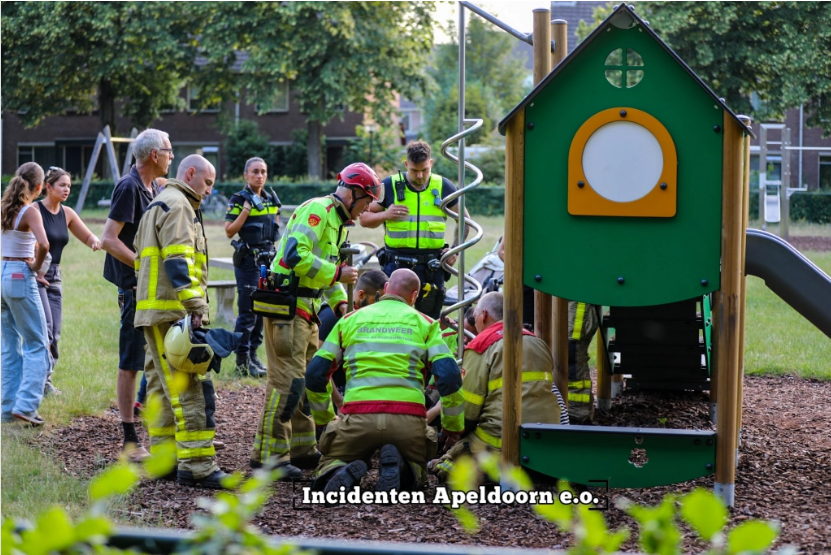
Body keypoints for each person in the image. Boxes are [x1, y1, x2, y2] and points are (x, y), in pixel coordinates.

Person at [250, 162, 382, 478]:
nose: (365, 211)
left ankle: (302, 448)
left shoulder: (336, 221)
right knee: (286, 383)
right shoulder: (318, 211)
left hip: (306, 310)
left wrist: (340, 306)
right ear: (352, 193)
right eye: (365, 202)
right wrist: (337, 272)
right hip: (289, 308)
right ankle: (270, 457)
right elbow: (296, 256)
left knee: (308, 380)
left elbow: (324, 269)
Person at [306, 269, 465, 494]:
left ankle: (337, 468)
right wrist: (452, 427)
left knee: (333, 457)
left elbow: (315, 373)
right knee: (416, 462)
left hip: (358, 418)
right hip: (407, 422)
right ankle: (405, 468)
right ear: (414, 296)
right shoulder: (426, 324)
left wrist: (325, 420)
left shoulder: (349, 320)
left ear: (387, 288)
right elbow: (449, 376)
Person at [133, 154, 229, 489]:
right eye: (207, 181)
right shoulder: (179, 206)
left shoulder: (158, 203)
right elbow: (178, 261)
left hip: (152, 311)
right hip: (174, 312)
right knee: (190, 388)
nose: (209, 190)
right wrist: (196, 307)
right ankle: (198, 465)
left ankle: (165, 459)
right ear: (190, 173)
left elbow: (139, 257)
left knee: (159, 387)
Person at [429, 292, 569, 481]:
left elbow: (469, 410)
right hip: (544, 439)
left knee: (447, 466)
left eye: (476, 315)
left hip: (499, 438)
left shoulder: (482, 346)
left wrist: (455, 434)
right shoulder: (537, 342)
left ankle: (489, 472)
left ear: (484, 315)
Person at [101, 128, 171, 461]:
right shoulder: (129, 187)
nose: (172, 156)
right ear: (154, 155)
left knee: (156, 360)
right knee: (130, 363)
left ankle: (167, 433)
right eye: (168, 151)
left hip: (147, 289)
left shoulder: (152, 186)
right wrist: (143, 266)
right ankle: (130, 442)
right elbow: (109, 239)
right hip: (132, 289)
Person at [360, 140, 471, 319]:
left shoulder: (444, 187)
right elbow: (364, 219)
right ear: (406, 164)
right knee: (393, 319)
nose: (420, 175)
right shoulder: (389, 185)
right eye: (414, 170)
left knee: (429, 322)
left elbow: (465, 221)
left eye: (424, 170)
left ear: (431, 163)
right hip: (396, 266)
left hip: (432, 269)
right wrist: (385, 215)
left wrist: (455, 250)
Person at [36, 167, 103, 397]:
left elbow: (86, 235)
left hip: (54, 275)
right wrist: (33, 268)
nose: (67, 190)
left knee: (54, 333)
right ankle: (38, 382)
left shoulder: (68, 213)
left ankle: (45, 381)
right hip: (36, 275)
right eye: (62, 185)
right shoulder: (35, 211)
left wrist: (95, 241)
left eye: (69, 186)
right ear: (48, 187)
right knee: (43, 330)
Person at [1, 163, 52, 426]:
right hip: (20, 276)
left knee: (9, 347)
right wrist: (33, 265)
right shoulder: (30, 212)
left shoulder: (4, 208)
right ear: (40, 187)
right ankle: (27, 405)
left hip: (1, 275)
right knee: (37, 345)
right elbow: (43, 244)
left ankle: (8, 408)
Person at [224, 157, 281, 378]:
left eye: (263, 171)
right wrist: (245, 211)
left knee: (262, 309)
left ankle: (254, 358)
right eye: (255, 172)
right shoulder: (239, 199)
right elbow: (229, 231)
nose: (259, 176)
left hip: (267, 263)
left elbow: (275, 227)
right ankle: (241, 361)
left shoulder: (271, 198)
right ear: (246, 175)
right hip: (248, 262)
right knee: (247, 313)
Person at [315, 269, 389, 427]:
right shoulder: (332, 317)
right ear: (361, 295)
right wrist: (339, 401)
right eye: (378, 301)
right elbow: (315, 365)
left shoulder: (366, 315)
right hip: (333, 396)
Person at [566, 301, 599, 424]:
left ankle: (577, 415)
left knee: (572, 357)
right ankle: (579, 411)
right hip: (572, 309)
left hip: (576, 312)